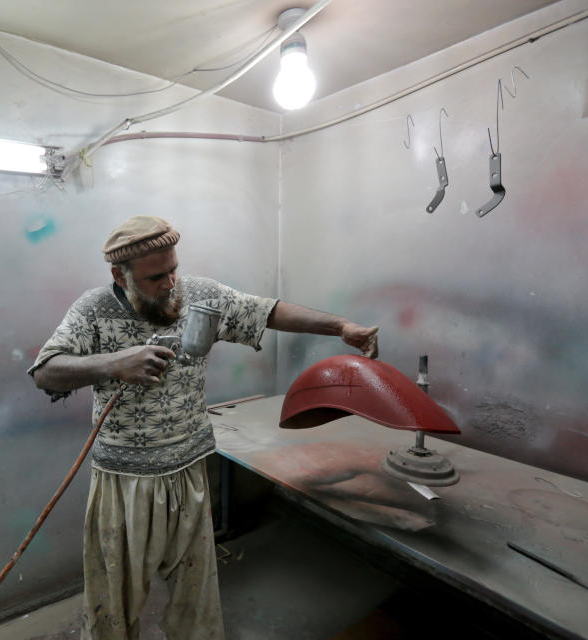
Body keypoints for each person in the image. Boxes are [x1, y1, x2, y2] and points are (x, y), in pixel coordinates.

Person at [28, 215, 378, 640]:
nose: (171, 282)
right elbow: (46, 371)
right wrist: (115, 363)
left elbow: (266, 310)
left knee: (195, 599)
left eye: (173, 268)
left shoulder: (200, 297)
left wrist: (341, 326)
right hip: (124, 480)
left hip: (189, 468)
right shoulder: (93, 310)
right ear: (120, 275)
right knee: (114, 604)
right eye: (156, 276)